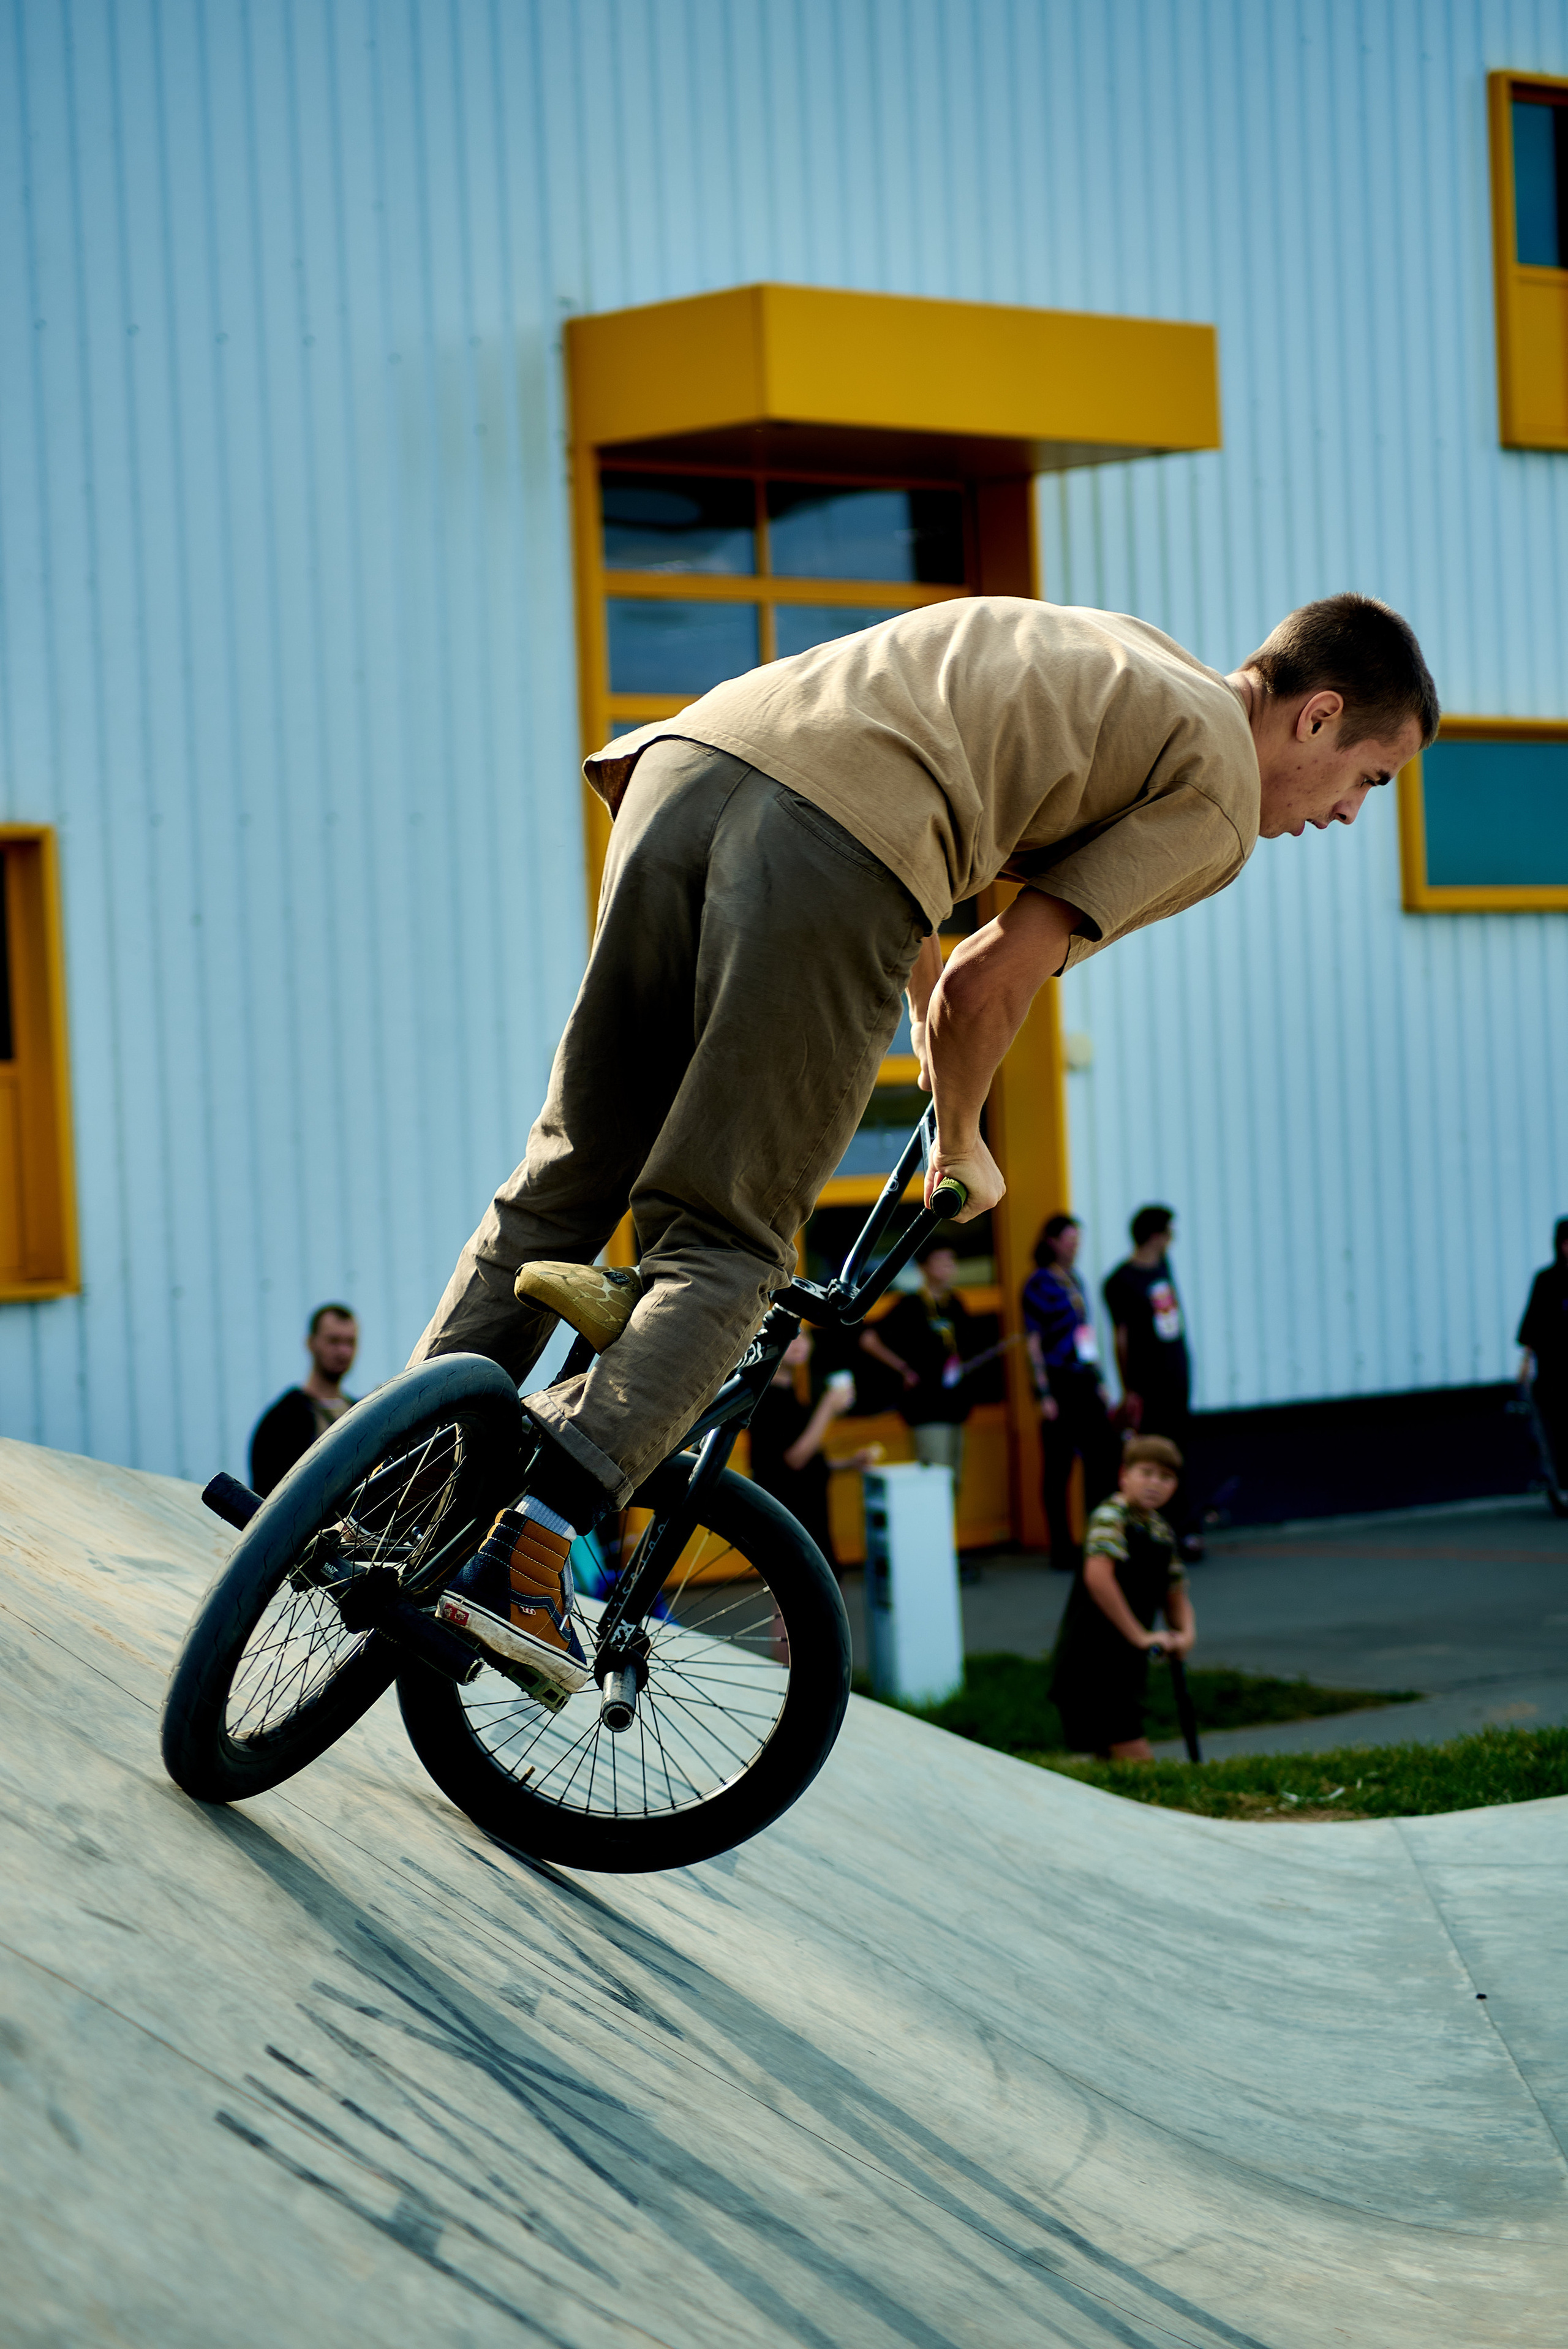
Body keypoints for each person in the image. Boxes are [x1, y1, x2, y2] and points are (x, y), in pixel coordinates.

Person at [413, 592, 1437, 1692]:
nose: (1347, 815)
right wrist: (961, 1144)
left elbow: (929, 874)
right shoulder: (1223, 794)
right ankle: (527, 1555)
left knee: (568, 1175)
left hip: (690, 759)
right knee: (732, 1245)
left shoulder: (1133, 655)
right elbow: (995, 975)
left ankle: (378, 1491)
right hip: (832, 837)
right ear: (1319, 717)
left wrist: (916, 999)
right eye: (1370, 779)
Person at [1049, 1434, 1195, 1760]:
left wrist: (1185, 1633)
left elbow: (1175, 1592)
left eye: (1166, 1477)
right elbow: (1098, 1577)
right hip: (1093, 1657)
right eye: (1146, 1473)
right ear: (1124, 1475)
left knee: (1111, 1763)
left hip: (1125, 1663)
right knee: (1135, 1756)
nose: (1154, 1484)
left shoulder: (1160, 1530)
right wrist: (1140, 1636)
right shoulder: (1111, 1517)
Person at [1022, 1214, 1121, 1574]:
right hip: (1059, 1383)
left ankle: (1099, 1539)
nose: (1075, 1246)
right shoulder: (1038, 1284)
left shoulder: (1074, 1280)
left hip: (1083, 1381)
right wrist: (1043, 1393)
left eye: (1078, 1240)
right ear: (1051, 1242)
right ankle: (1061, 1548)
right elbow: (1033, 1343)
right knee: (1059, 1467)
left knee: (1102, 1460)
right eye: (1069, 1239)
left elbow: (1085, 1336)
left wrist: (1099, 1381)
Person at [1103, 1204, 1203, 1560]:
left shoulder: (1163, 1268)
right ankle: (1148, 1529)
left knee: (1179, 1452)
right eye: (1169, 1232)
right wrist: (1129, 1388)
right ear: (1156, 1235)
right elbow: (1123, 1337)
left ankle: (1183, 1528)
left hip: (1176, 1377)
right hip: (1148, 1384)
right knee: (1152, 1455)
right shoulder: (1120, 1282)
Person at [746, 1331, 879, 1575]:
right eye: (792, 1336)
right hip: (790, 1516)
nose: (800, 1344)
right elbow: (794, 1460)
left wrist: (850, 1463)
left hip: (810, 1515)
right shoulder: (767, 1397)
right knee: (798, 1595)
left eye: (804, 1337)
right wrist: (829, 1408)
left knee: (820, 1588)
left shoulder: (794, 1394)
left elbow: (807, 1464)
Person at [857, 1239, 974, 1496]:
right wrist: (904, 1369)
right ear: (924, 1267)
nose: (948, 1267)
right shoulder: (910, 1305)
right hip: (926, 1407)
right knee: (935, 1480)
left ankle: (946, 1535)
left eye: (951, 1261)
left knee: (955, 1482)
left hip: (955, 1405)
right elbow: (869, 1340)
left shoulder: (956, 1303)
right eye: (940, 1262)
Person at [249, 1304, 359, 1497]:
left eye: (350, 1342)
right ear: (311, 1343)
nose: (343, 1352)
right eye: (334, 1341)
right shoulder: (283, 1420)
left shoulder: (361, 1412)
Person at [1517, 1217, 1568, 1497]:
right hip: (1554, 1369)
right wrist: (1525, 1361)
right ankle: (1560, 1485)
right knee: (1557, 1429)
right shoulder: (1547, 1281)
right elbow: (1533, 1323)